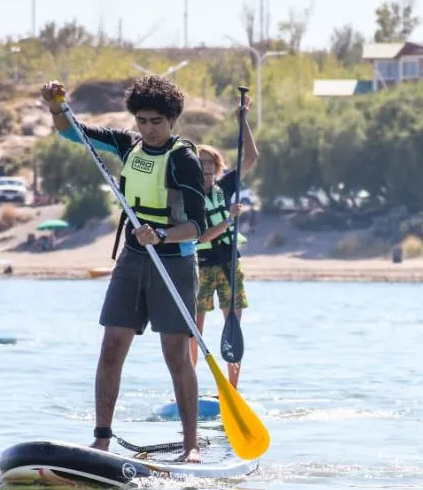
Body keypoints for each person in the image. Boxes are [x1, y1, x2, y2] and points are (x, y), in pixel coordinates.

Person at [41, 75, 207, 463]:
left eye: (156, 122)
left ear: (172, 121)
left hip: (173, 260)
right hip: (133, 259)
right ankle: (101, 438)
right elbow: (72, 133)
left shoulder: (183, 159)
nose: (148, 129)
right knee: (112, 346)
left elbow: (197, 226)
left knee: (175, 355)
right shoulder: (127, 144)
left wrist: (162, 235)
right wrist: (54, 106)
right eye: (142, 121)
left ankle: (191, 445)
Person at [190, 100, 259, 388]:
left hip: (230, 265)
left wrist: (242, 119)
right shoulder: (189, 196)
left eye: (210, 164)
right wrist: (228, 221)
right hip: (202, 268)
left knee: (233, 328)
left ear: (217, 168)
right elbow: (201, 237)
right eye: (200, 164)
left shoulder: (225, 186)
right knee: (195, 329)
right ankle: (188, 386)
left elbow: (251, 157)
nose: (205, 169)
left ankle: (232, 390)